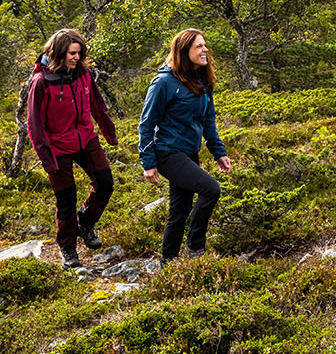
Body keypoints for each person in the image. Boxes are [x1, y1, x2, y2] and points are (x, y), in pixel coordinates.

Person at [26, 28, 118, 269]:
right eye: (72, 54)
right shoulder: (41, 82)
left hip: (86, 139)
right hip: (57, 147)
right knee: (66, 198)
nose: (77, 58)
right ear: (58, 53)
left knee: (105, 183)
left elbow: (97, 104)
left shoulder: (83, 73)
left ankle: (85, 224)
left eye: (79, 53)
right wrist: (47, 159)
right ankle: (67, 248)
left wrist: (109, 132)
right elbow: (34, 124)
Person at [139, 28, 233, 262]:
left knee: (179, 211)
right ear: (184, 51)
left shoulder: (202, 80)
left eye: (204, 45)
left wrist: (218, 152)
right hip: (168, 152)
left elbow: (208, 120)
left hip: (190, 152)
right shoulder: (163, 83)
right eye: (199, 46)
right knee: (211, 189)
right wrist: (148, 163)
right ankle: (195, 246)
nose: (205, 50)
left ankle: (168, 264)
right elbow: (146, 124)